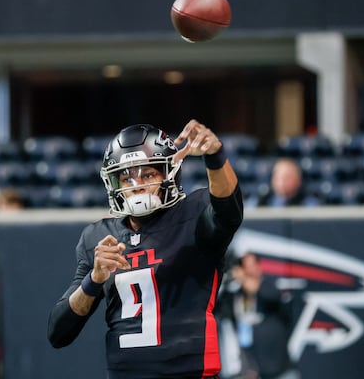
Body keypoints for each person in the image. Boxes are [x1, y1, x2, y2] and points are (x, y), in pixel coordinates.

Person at [47, 119, 244, 379]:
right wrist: (93, 280)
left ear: (169, 174)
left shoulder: (192, 215)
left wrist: (214, 156)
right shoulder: (98, 237)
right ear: (114, 185)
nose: (137, 185)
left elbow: (229, 211)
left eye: (148, 174)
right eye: (126, 177)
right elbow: (58, 333)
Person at [216, 252, 300, 379]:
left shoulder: (269, 285)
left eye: (249, 266)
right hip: (254, 371)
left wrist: (242, 277)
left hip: (280, 369)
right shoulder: (237, 295)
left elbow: (267, 293)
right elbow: (220, 312)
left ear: (258, 266)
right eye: (243, 266)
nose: (246, 270)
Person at [254, 158, 319, 207]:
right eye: (279, 177)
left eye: (287, 177)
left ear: (298, 180)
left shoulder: (309, 204)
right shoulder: (260, 202)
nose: (282, 181)